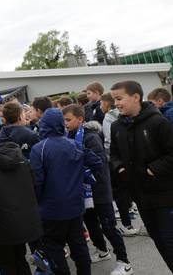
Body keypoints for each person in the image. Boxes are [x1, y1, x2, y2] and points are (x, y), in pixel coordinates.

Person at [29, 108, 103, 275]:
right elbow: (97, 163)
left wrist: (38, 203)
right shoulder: (74, 144)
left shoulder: (39, 149)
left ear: (44, 125)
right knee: (79, 244)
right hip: (75, 205)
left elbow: (37, 181)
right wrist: (83, 178)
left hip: (51, 208)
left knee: (54, 246)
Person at [63, 104, 133, 275]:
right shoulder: (68, 136)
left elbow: (99, 165)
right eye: (64, 120)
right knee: (91, 224)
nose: (65, 123)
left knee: (109, 226)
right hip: (83, 191)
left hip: (98, 189)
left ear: (80, 119)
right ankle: (102, 250)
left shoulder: (90, 137)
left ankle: (124, 262)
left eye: (68, 120)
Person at [110, 80, 173, 271]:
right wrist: (119, 168)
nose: (116, 104)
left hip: (165, 197)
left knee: (170, 243)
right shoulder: (117, 127)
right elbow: (113, 154)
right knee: (159, 242)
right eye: (114, 100)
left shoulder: (158, 122)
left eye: (119, 98)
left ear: (136, 97)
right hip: (140, 197)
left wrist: (152, 169)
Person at [0, 130, 43, 275]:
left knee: (6, 263)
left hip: (0, 225)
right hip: (24, 219)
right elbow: (33, 182)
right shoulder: (19, 155)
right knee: (20, 258)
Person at [101, 93, 138, 237]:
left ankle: (125, 224)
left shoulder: (109, 118)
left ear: (106, 104)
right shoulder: (127, 115)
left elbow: (109, 141)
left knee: (120, 193)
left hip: (115, 162)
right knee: (127, 192)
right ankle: (128, 220)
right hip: (129, 160)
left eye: (101, 103)